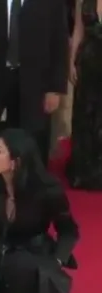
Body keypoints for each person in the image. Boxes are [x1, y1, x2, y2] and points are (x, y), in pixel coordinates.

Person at [0, 128, 79, 293]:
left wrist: (57, 260)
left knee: (20, 272)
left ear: (16, 161)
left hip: (32, 252)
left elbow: (69, 231)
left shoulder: (46, 189)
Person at [0, 0, 69, 167]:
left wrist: (55, 88)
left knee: (31, 137)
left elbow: (59, 40)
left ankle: (29, 187)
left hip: (34, 80)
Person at [66, 0, 102, 190]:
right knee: (85, 114)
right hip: (88, 62)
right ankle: (84, 171)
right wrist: (72, 61)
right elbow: (78, 29)